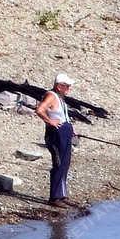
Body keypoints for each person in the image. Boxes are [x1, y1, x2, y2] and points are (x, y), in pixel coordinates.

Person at [35, 73, 75, 207]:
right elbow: (40, 110)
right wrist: (49, 121)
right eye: (67, 86)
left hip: (65, 131)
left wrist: (71, 128)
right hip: (56, 134)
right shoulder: (51, 95)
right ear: (59, 86)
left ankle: (62, 195)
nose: (69, 89)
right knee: (58, 163)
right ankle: (54, 197)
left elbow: (62, 115)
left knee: (65, 163)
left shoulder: (60, 98)